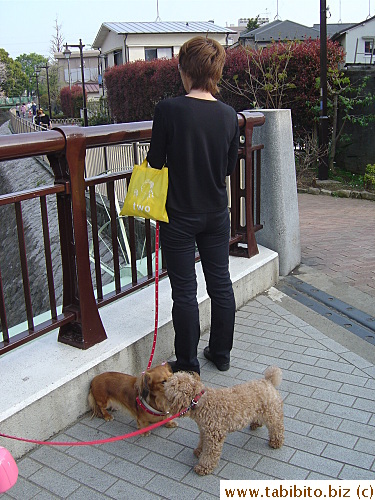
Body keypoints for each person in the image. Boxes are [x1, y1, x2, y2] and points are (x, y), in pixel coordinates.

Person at [146, 36, 239, 374]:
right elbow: (228, 167)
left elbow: (155, 161)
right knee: (221, 283)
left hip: (179, 215)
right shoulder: (230, 115)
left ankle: (187, 364)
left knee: (184, 291)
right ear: (216, 72)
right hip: (216, 213)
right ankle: (221, 353)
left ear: (185, 71)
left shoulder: (168, 109)